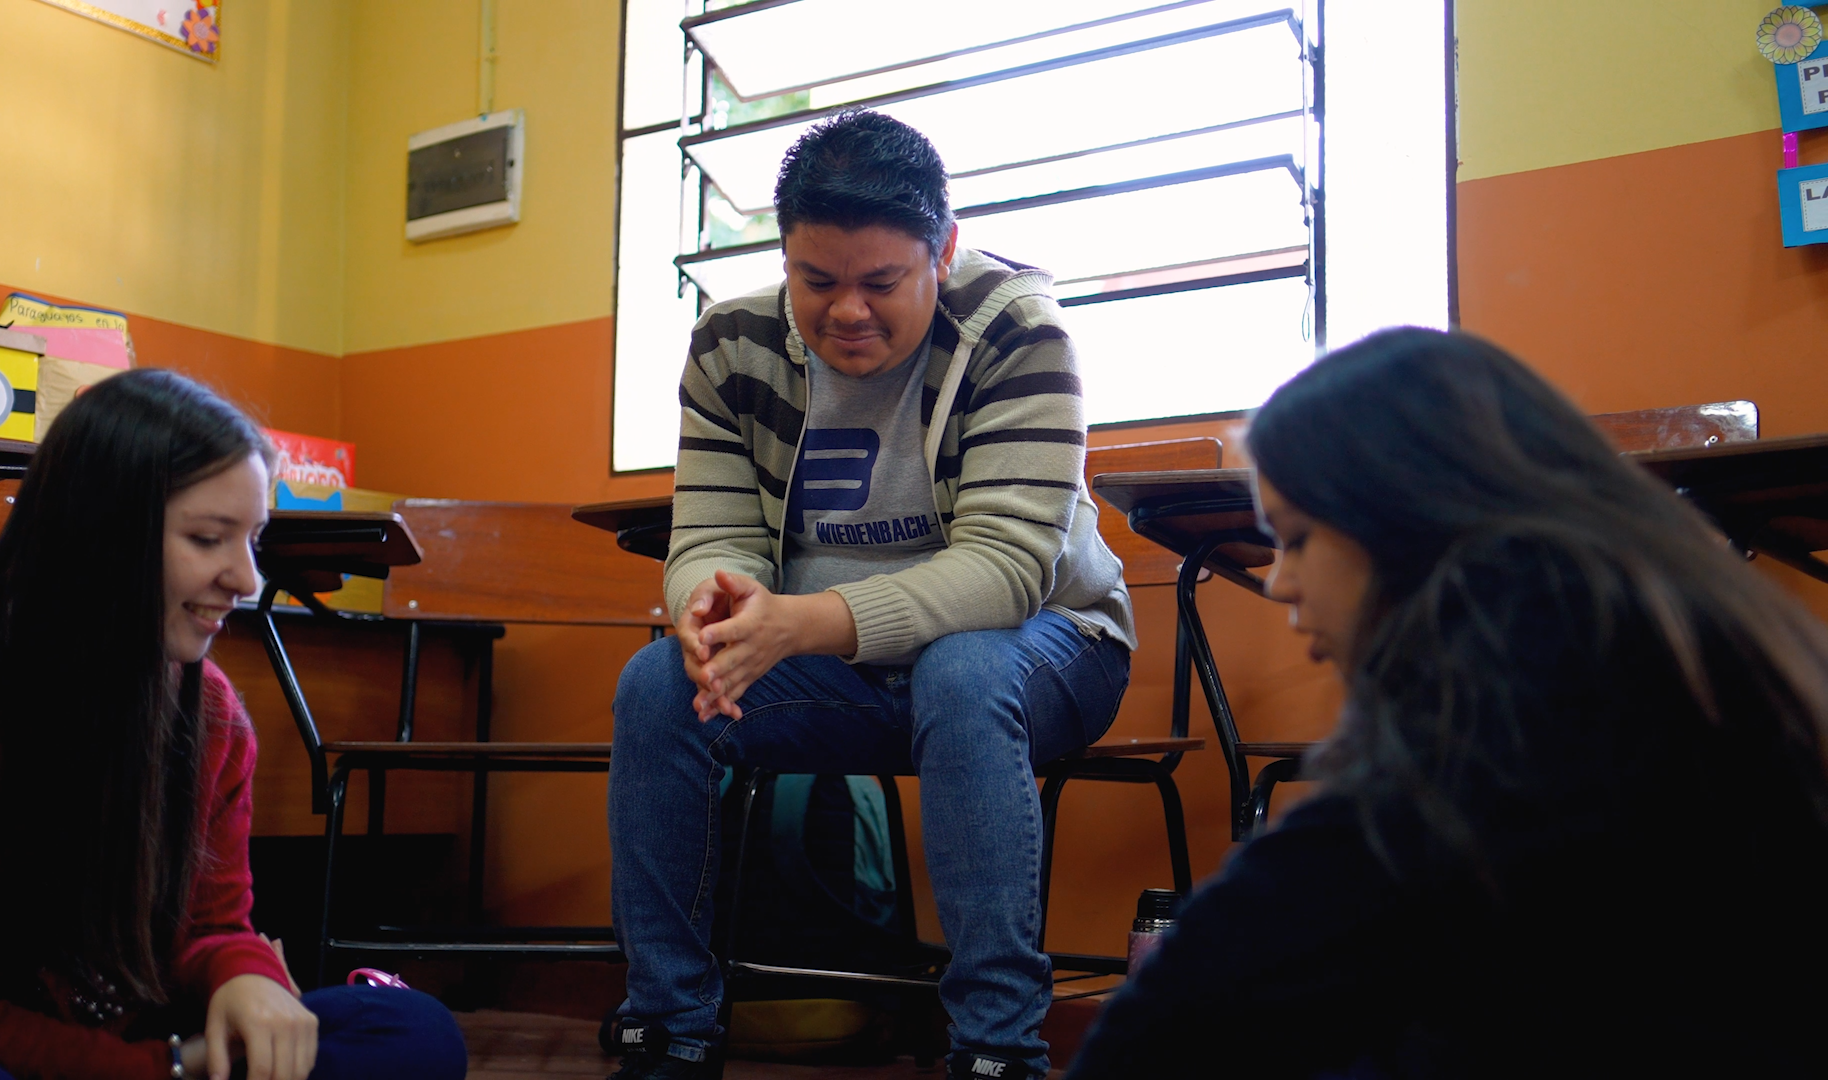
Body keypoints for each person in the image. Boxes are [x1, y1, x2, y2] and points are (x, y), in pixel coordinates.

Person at [1065, 328, 1828, 1078]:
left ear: (1407, 517)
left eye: (1296, 539)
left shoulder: (1510, 723)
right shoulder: (1685, 646)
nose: (1280, 582)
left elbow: (1163, 1024)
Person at [607, 109, 1135, 1080]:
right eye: (818, 281)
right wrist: (711, 606)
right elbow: (712, 536)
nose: (847, 310)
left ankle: (996, 1048)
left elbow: (1008, 569)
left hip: (1050, 645)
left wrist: (802, 623)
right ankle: (667, 1029)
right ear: (785, 257)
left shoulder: (1017, 329)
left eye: (882, 283)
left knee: (965, 671)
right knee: (656, 690)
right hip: (838, 669)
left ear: (945, 249)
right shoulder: (732, 346)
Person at [0, 370, 469, 1080]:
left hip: (151, 1039)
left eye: (253, 540)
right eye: (208, 539)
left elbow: (211, 925)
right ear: (99, 533)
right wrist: (167, 1069)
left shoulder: (211, 715)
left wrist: (246, 977)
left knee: (411, 1032)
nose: (247, 579)